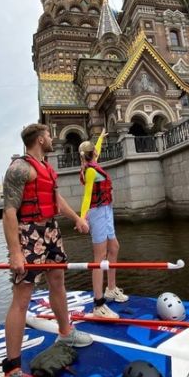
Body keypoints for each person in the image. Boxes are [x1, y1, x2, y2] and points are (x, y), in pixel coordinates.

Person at [1, 123, 93, 377]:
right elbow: (8, 212)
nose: (52, 139)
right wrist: (15, 252)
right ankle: (12, 371)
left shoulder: (47, 170)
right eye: (49, 136)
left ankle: (66, 334)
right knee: (22, 299)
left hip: (51, 232)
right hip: (28, 235)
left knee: (58, 283)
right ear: (40, 139)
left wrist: (76, 218)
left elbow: (55, 199)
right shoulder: (19, 169)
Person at [79, 129, 128, 319]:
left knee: (114, 247)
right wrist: (82, 218)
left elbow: (96, 150)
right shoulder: (90, 171)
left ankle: (111, 289)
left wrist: (100, 138)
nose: (96, 153)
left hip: (107, 210)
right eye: (94, 152)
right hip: (97, 213)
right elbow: (87, 197)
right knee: (99, 256)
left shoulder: (93, 163)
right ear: (89, 155)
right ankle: (98, 304)